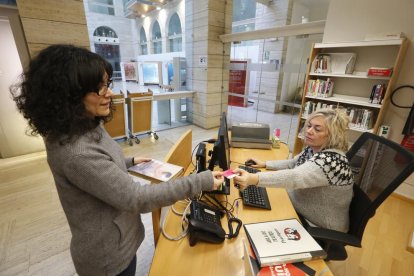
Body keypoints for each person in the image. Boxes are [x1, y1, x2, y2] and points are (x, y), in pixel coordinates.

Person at [10, 44, 224, 276]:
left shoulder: (85, 124)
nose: (109, 93)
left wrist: (129, 162)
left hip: (117, 236)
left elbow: (101, 165)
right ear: (68, 95)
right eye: (98, 88)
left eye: (106, 84)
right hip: (108, 257)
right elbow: (137, 198)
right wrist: (200, 181)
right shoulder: (76, 152)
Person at [234, 108, 354, 233]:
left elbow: (296, 177)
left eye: (317, 129)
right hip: (300, 205)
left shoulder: (331, 162)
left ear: (333, 135)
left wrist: (254, 179)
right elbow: (294, 163)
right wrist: (265, 164)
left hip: (320, 224)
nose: (309, 131)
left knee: (255, 221)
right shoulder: (316, 148)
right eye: (309, 126)